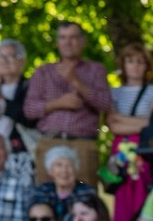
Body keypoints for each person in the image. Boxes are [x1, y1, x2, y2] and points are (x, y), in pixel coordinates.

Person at [20, 21, 114, 182]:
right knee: (46, 197)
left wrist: (76, 82)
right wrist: (57, 103)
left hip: (83, 144)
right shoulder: (43, 72)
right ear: (57, 42)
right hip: (49, 142)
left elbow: (105, 104)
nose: (67, 42)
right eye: (63, 38)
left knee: (85, 200)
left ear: (83, 42)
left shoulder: (96, 70)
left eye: (73, 37)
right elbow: (29, 110)